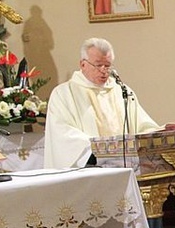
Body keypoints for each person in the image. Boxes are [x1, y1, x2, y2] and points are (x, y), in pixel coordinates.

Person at [44, 37, 160, 168]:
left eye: (108, 65)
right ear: (83, 64)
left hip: (126, 167)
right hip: (88, 167)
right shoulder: (64, 93)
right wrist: (100, 149)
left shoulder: (122, 90)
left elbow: (140, 124)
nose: (104, 70)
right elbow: (62, 132)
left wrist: (157, 132)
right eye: (98, 65)